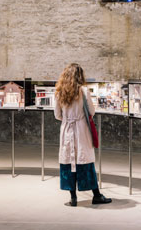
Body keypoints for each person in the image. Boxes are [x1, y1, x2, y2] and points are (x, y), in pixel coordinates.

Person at [54, 63, 112, 207]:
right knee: (85, 161)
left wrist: (68, 120)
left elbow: (57, 115)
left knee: (68, 162)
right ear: (80, 75)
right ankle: (97, 195)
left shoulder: (59, 92)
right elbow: (91, 111)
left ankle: (73, 198)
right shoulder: (84, 91)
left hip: (67, 129)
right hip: (81, 130)